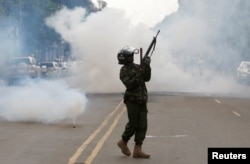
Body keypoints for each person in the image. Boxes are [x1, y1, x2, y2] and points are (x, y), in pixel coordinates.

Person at [117, 46, 151, 158]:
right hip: (132, 100)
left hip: (142, 99)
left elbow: (147, 78)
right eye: (130, 56)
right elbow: (130, 84)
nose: (132, 57)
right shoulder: (124, 71)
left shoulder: (137, 67)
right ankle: (123, 141)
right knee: (133, 124)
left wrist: (147, 65)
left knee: (142, 125)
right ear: (125, 58)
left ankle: (138, 149)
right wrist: (139, 73)